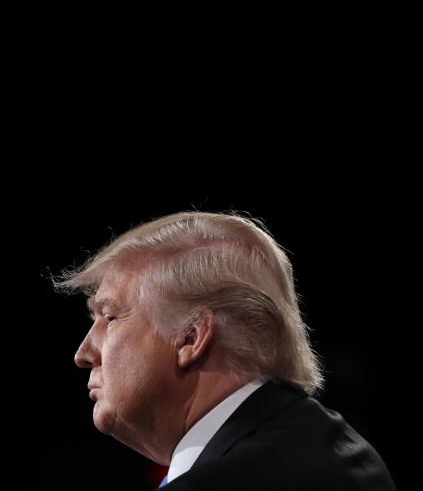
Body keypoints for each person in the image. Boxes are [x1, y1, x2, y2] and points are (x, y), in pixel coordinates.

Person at [53, 210, 397, 490]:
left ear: (191, 337)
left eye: (110, 317)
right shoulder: (332, 446)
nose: (83, 353)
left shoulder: (230, 480)